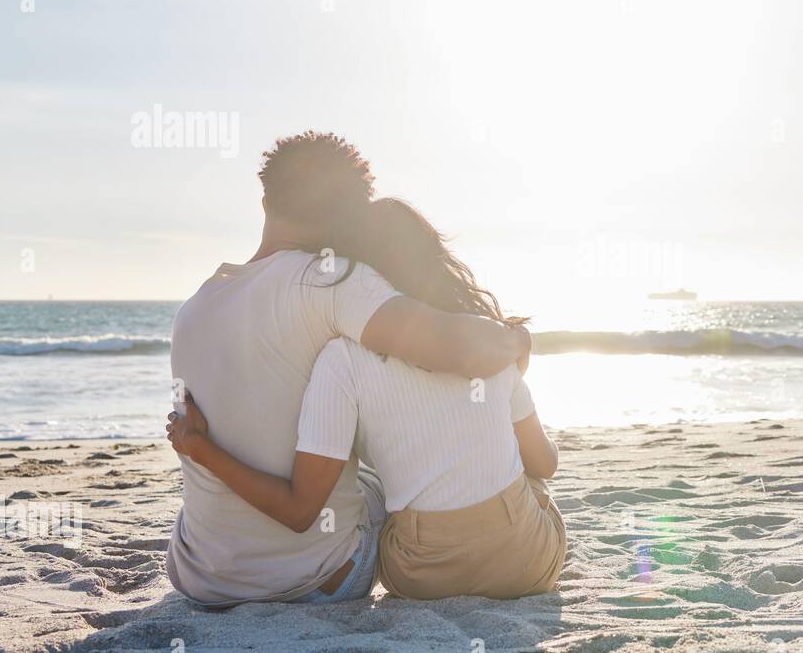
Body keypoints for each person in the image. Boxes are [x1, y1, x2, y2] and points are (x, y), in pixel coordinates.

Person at [166, 133, 530, 607]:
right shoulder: (333, 280)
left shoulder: (193, 308)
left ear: (264, 201)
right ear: (348, 214)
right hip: (322, 579)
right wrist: (518, 340)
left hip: (201, 577)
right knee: (385, 482)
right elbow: (454, 349)